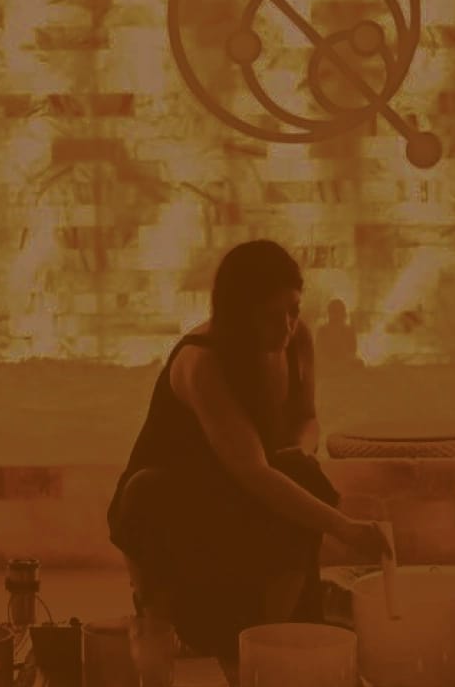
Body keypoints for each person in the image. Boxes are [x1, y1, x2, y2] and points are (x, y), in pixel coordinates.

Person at [108, 240, 390, 661]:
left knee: (303, 475)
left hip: (239, 491)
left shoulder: (296, 339)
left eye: (294, 309)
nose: (289, 325)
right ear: (239, 316)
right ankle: (158, 617)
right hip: (182, 503)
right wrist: (345, 528)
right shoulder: (202, 363)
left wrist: (300, 450)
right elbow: (252, 470)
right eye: (273, 316)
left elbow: (306, 418)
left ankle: (272, 635)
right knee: (152, 495)